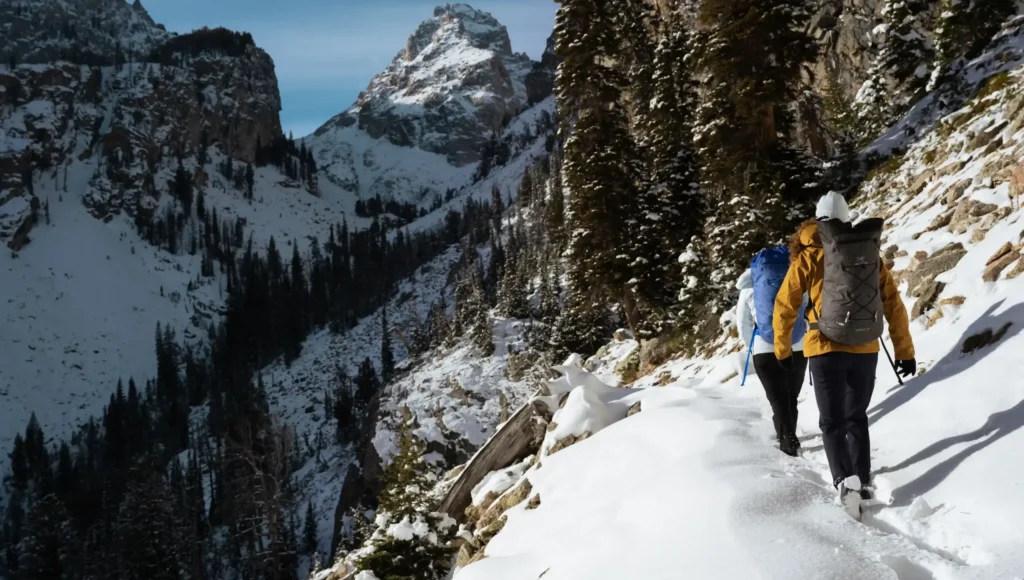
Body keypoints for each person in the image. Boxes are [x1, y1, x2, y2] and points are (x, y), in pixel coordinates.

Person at [772, 192, 916, 516]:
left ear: (816, 221)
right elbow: (893, 303)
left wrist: (783, 349)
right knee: (856, 416)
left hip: (825, 348)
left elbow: (785, 305)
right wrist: (904, 350)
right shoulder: (866, 252)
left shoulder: (808, 254)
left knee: (832, 421)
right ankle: (863, 479)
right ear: (847, 218)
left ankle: (844, 480)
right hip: (866, 348)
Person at [736, 254, 808, 457]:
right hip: (798, 345)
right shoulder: (794, 278)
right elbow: (804, 309)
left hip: (765, 348)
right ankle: (788, 435)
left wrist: (752, 345)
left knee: (777, 399)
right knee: (791, 396)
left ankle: (787, 440)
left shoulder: (749, 289)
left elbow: (743, 323)